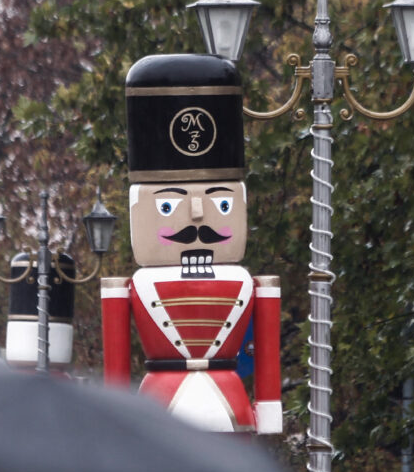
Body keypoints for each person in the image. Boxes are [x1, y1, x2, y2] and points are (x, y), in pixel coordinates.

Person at [101, 53, 282, 434]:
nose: (198, 216)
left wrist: (270, 410)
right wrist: (113, 421)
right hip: (162, 404)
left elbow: (267, 350)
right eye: (167, 205)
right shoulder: (134, 286)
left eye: (221, 204)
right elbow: (115, 367)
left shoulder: (247, 283)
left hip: (227, 402)